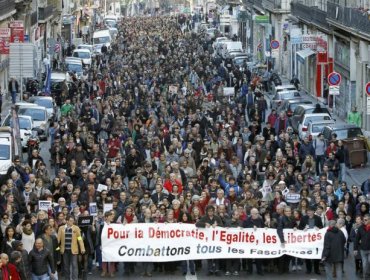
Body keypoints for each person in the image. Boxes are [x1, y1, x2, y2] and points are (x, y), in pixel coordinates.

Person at [196, 205, 223, 276]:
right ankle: (210, 269)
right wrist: (204, 224)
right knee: (209, 255)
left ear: (214, 211)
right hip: (208, 240)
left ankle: (217, 270)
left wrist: (217, 225)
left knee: (216, 255)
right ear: (207, 212)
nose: (210, 212)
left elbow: (222, 225)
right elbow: (197, 224)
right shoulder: (204, 217)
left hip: (216, 239)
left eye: (211, 211)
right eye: (209, 211)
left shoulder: (217, 217)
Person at [57, 215, 85, 280]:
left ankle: (75, 279)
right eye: (70, 220)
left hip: (74, 250)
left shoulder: (76, 228)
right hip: (64, 250)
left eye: (73, 220)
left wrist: (82, 248)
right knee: (66, 266)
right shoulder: (61, 228)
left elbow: (80, 238)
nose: (72, 222)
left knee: (74, 266)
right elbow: (58, 239)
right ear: (67, 221)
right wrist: (56, 248)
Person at [298, 206, 323, 274]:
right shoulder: (303, 218)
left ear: (313, 211)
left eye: (310, 211)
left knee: (316, 254)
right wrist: (303, 229)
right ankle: (308, 269)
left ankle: (316, 269)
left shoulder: (318, 218)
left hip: (315, 239)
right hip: (307, 239)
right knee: (307, 254)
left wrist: (318, 228)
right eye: (307, 211)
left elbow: (321, 227)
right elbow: (299, 228)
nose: (308, 212)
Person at [354, 214, 370, 279]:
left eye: (366, 220)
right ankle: (365, 277)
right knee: (364, 264)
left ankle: (368, 274)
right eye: (363, 220)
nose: (364, 221)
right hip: (363, 249)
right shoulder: (360, 228)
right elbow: (357, 239)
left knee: (369, 261)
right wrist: (355, 249)